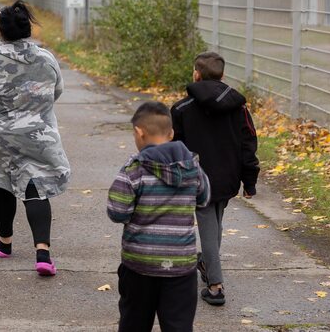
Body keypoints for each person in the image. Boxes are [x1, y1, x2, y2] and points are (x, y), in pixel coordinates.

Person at [0, 0, 70, 276]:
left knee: (4, 186)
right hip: (39, 136)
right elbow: (56, 91)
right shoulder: (47, 59)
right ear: (28, 30)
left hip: (1, 139)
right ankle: (43, 254)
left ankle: (5, 244)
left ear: (0, 31)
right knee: (36, 189)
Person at [108, 101, 210, 332]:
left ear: (139, 132)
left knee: (134, 323)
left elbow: (117, 212)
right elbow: (204, 199)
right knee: (179, 326)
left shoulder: (133, 169)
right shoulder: (192, 168)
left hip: (139, 264)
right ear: (171, 133)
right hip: (180, 265)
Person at [171, 51, 260, 306]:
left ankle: (215, 286)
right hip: (228, 177)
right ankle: (208, 264)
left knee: (212, 227)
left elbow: (175, 148)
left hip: (196, 178)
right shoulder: (238, 108)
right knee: (214, 224)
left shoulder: (181, 109)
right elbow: (248, 144)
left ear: (196, 74)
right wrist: (249, 180)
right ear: (222, 76)